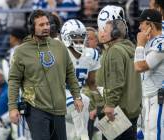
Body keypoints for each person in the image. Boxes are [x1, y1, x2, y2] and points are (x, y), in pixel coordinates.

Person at [8, 9, 83, 140]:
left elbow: (70, 73)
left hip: (59, 108)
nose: (46, 27)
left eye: (47, 24)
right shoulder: (21, 51)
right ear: (32, 27)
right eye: (41, 25)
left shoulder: (59, 47)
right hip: (36, 108)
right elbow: (14, 80)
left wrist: (77, 96)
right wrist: (13, 107)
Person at [89, 6, 142, 140]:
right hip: (130, 111)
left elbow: (116, 81)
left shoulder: (115, 51)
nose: (100, 33)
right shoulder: (129, 48)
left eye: (104, 30)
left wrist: (109, 105)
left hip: (116, 113)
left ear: (115, 33)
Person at [60, 19, 100, 140]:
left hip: (78, 96)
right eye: (74, 36)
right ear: (66, 37)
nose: (79, 39)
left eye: (81, 36)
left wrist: (101, 102)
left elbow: (92, 83)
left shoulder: (91, 54)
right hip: (60, 95)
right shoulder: (59, 53)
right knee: (83, 102)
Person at [134, 9, 164, 140]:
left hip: (159, 99)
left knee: (155, 135)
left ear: (150, 26)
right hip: (147, 97)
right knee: (146, 135)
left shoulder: (161, 43)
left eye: (142, 24)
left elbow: (140, 66)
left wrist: (140, 45)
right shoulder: (149, 43)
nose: (139, 27)